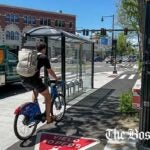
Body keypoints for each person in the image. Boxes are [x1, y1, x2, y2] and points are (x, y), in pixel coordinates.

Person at [21, 42, 59, 124]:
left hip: (24, 79)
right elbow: (49, 71)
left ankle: (35, 111)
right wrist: (56, 78)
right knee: (48, 97)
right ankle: (48, 118)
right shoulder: (43, 57)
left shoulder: (31, 55)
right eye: (45, 49)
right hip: (34, 81)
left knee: (35, 91)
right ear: (44, 49)